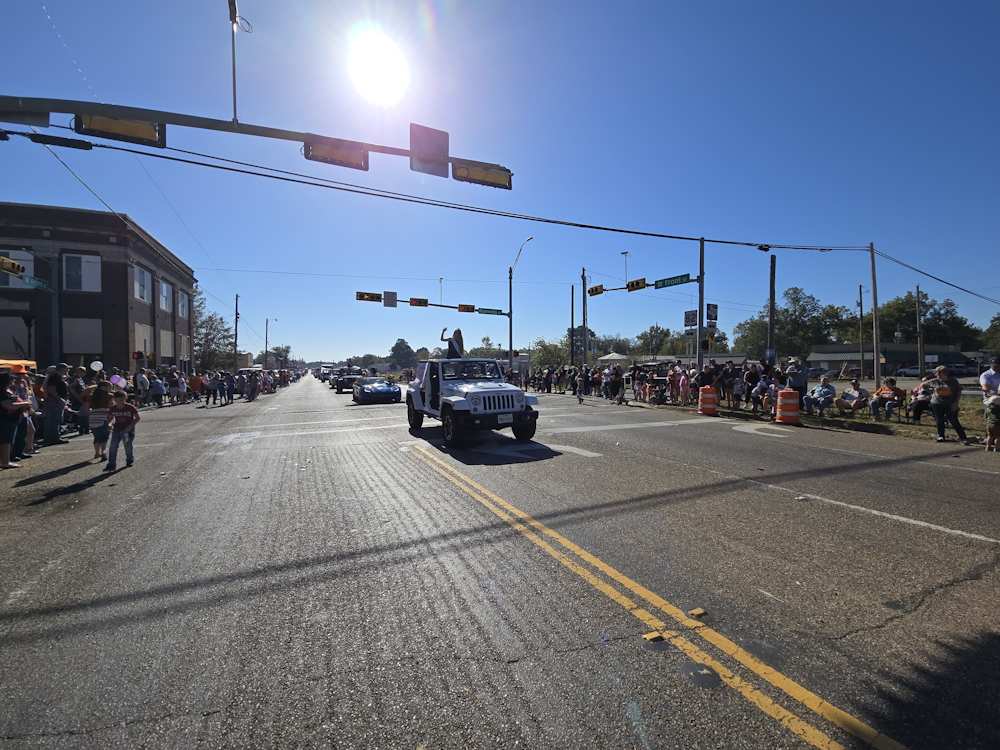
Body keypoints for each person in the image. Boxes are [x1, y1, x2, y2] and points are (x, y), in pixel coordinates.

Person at [925, 365, 969, 443]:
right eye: (936, 373)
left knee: (953, 420)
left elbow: (958, 392)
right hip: (936, 403)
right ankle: (941, 436)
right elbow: (923, 385)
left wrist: (956, 403)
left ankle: (963, 438)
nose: (936, 375)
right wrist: (931, 391)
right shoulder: (935, 380)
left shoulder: (953, 381)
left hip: (950, 403)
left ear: (944, 373)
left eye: (938, 373)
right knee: (939, 420)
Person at [105, 390, 141, 472]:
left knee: (127, 446)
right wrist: (110, 424)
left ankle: (129, 459)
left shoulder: (130, 407)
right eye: (117, 400)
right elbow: (110, 419)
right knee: (113, 447)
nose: (119, 402)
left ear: (125, 399)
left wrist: (130, 426)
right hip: (117, 429)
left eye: (122, 400)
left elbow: (137, 418)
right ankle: (111, 464)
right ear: (114, 400)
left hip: (128, 430)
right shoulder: (112, 409)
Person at [1, 373, 31, 469]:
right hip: (5, 419)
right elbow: (8, 405)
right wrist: (24, 403)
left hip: (10, 419)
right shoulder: (2, 392)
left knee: (7, 441)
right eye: (11, 380)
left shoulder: (7, 390)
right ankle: (5, 462)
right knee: (5, 441)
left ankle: (4, 461)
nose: (13, 381)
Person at [42, 363, 72, 445]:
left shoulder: (58, 377)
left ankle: (53, 437)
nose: (68, 370)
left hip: (56, 400)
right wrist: (59, 399)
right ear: (62, 369)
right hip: (54, 401)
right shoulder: (55, 376)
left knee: (56, 419)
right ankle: (53, 438)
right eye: (67, 369)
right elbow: (51, 389)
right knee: (53, 420)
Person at [89, 386, 112, 461]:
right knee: (104, 438)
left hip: (93, 419)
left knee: (97, 437)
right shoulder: (108, 396)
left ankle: (97, 453)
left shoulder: (92, 398)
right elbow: (111, 406)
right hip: (103, 419)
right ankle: (103, 453)